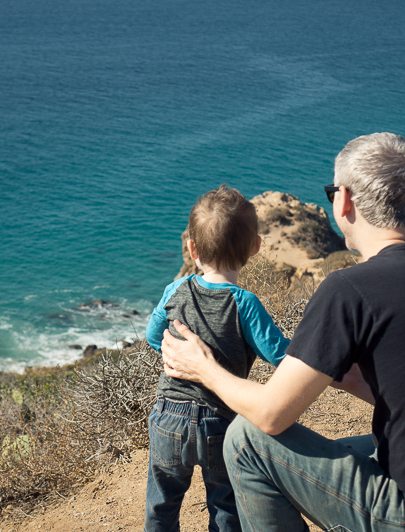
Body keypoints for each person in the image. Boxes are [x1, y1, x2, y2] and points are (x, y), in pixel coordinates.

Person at [160, 133, 405, 532]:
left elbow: (270, 415)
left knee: (246, 439)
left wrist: (205, 368)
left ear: (344, 201)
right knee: (344, 449)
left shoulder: (350, 288)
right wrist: (353, 381)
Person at [144, 184, 290, 532]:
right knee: (225, 506)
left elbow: (152, 337)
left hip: (167, 415)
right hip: (219, 423)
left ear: (191, 248)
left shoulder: (175, 289)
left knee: (161, 505)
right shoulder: (245, 303)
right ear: (254, 248)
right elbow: (282, 357)